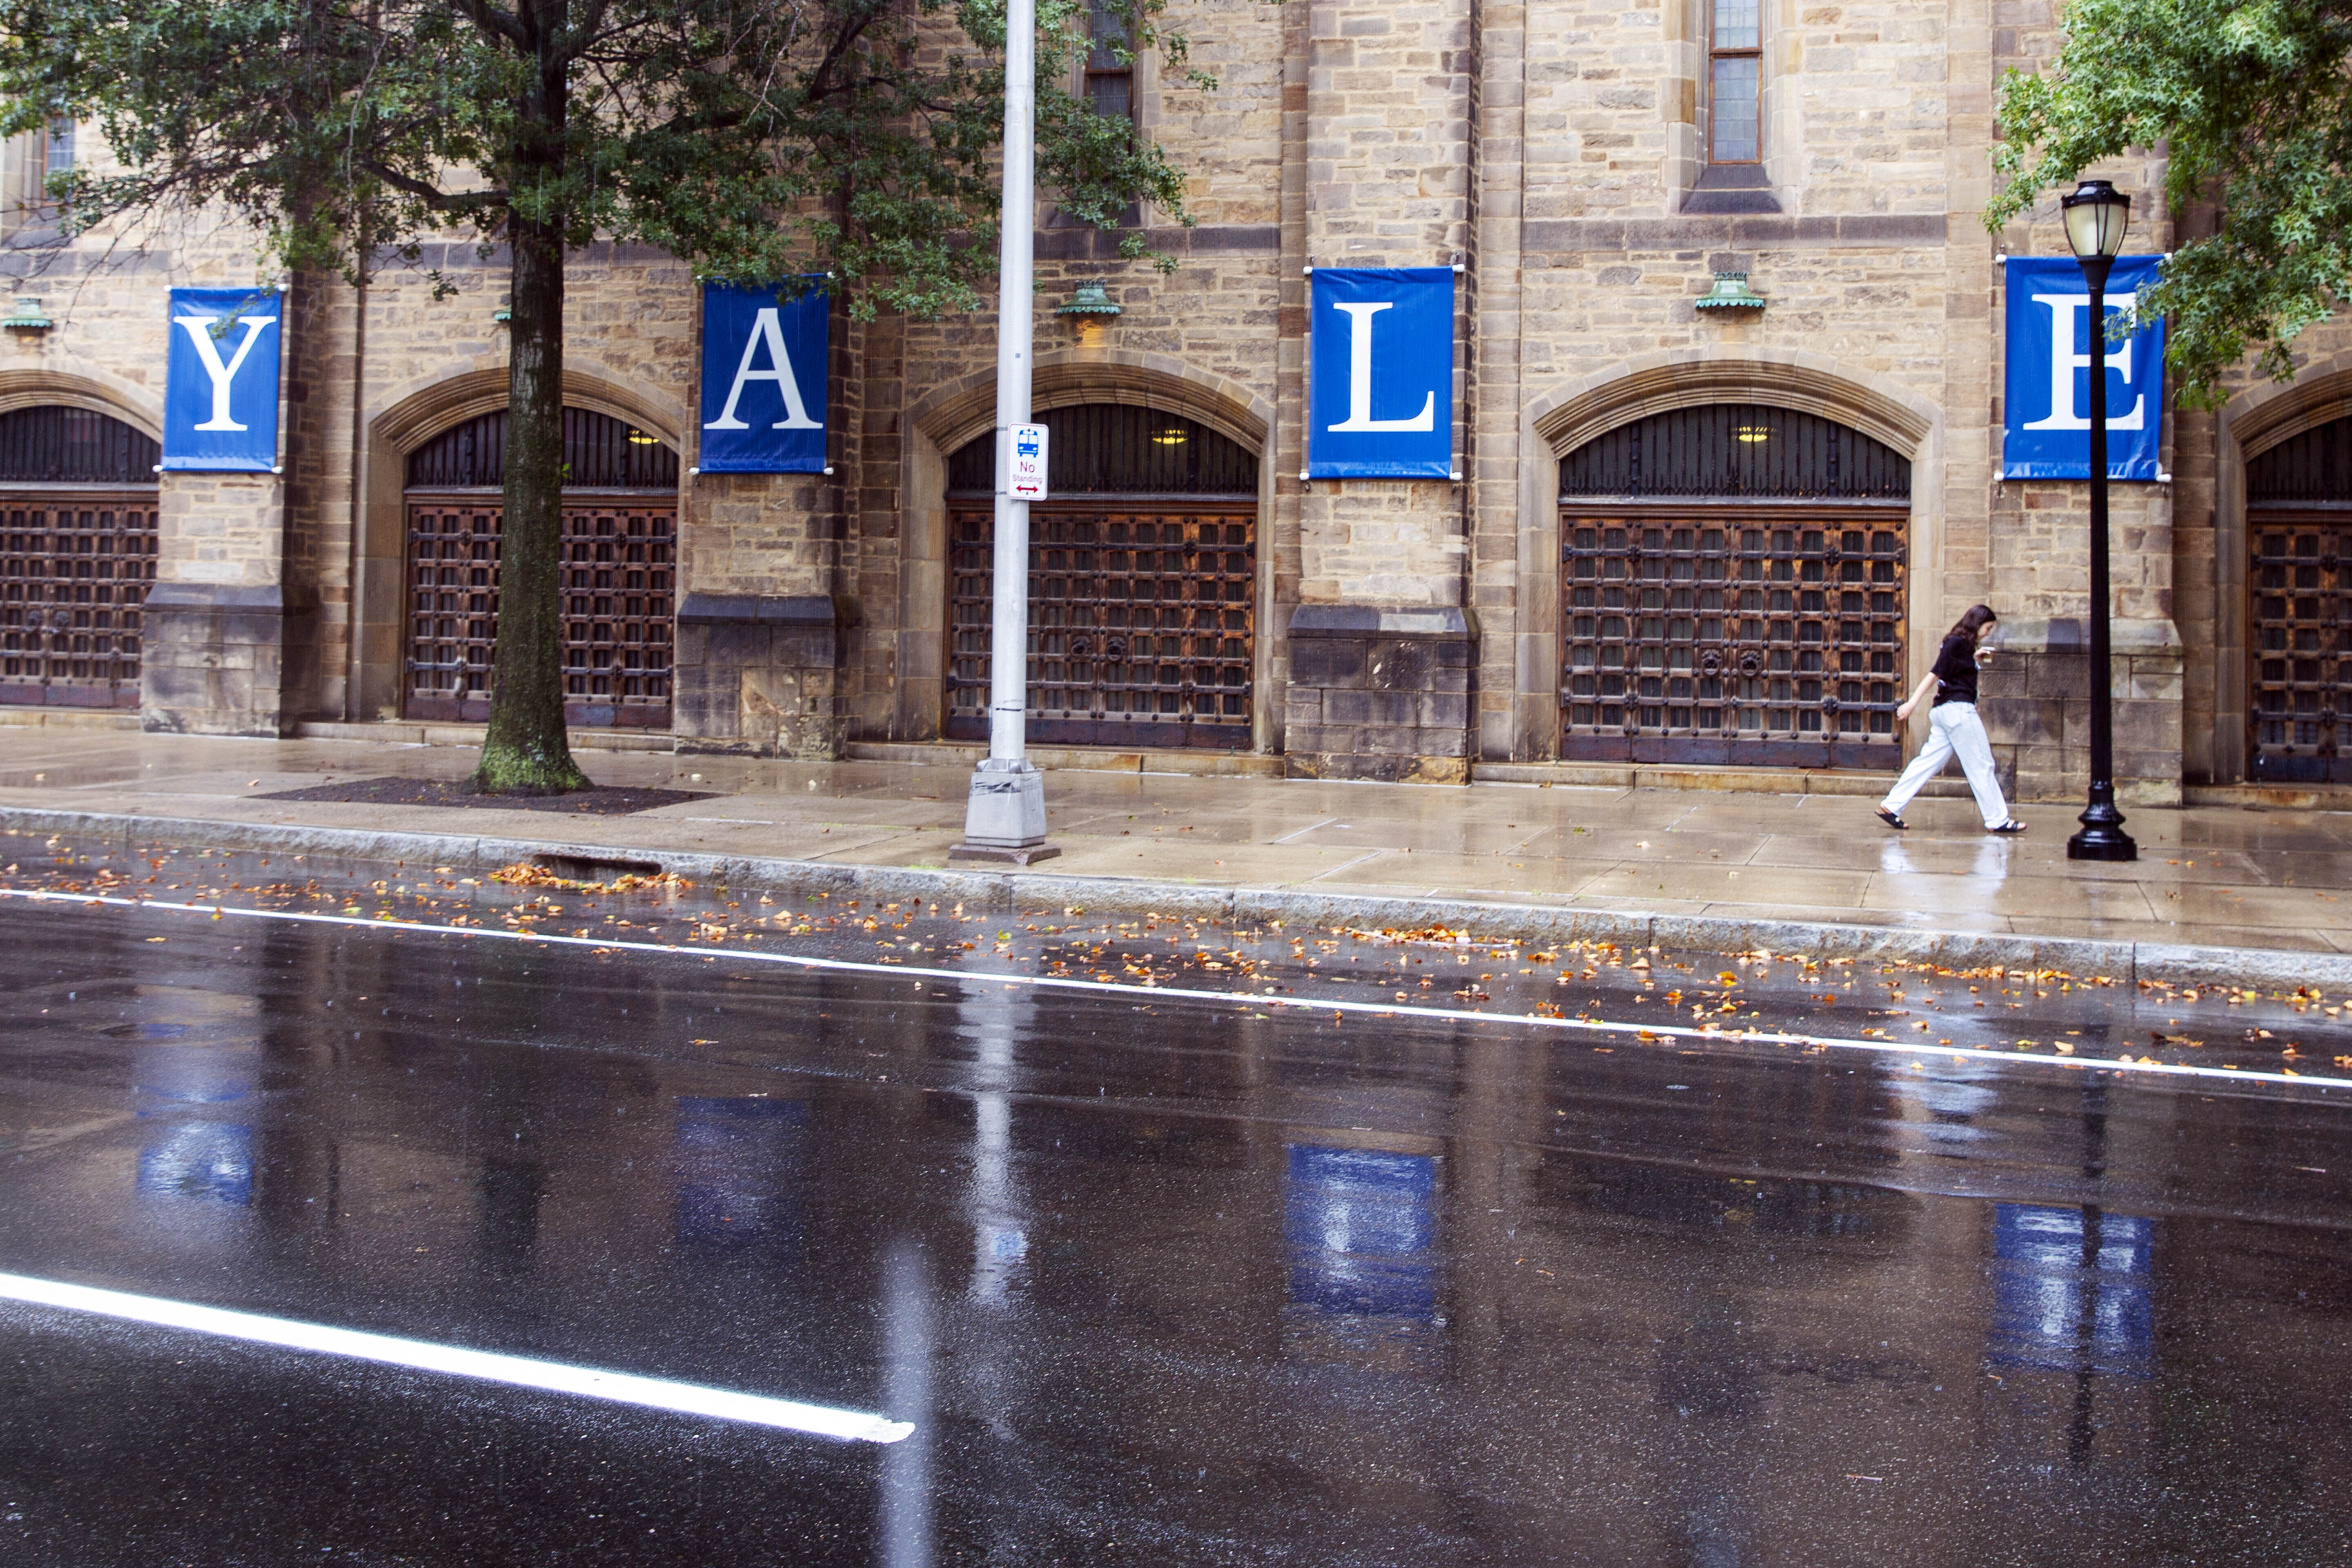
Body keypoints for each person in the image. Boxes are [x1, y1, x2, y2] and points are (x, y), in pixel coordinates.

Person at [1875, 604, 2025, 833]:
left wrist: (1975, 657)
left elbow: (1953, 671)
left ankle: (1891, 806)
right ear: (1978, 624)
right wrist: (1912, 704)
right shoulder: (1957, 643)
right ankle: (1998, 820)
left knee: (1927, 763)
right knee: (1982, 764)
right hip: (1958, 712)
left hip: (1945, 713)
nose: (1989, 633)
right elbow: (1936, 673)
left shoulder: (1959, 645)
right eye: (1988, 627)